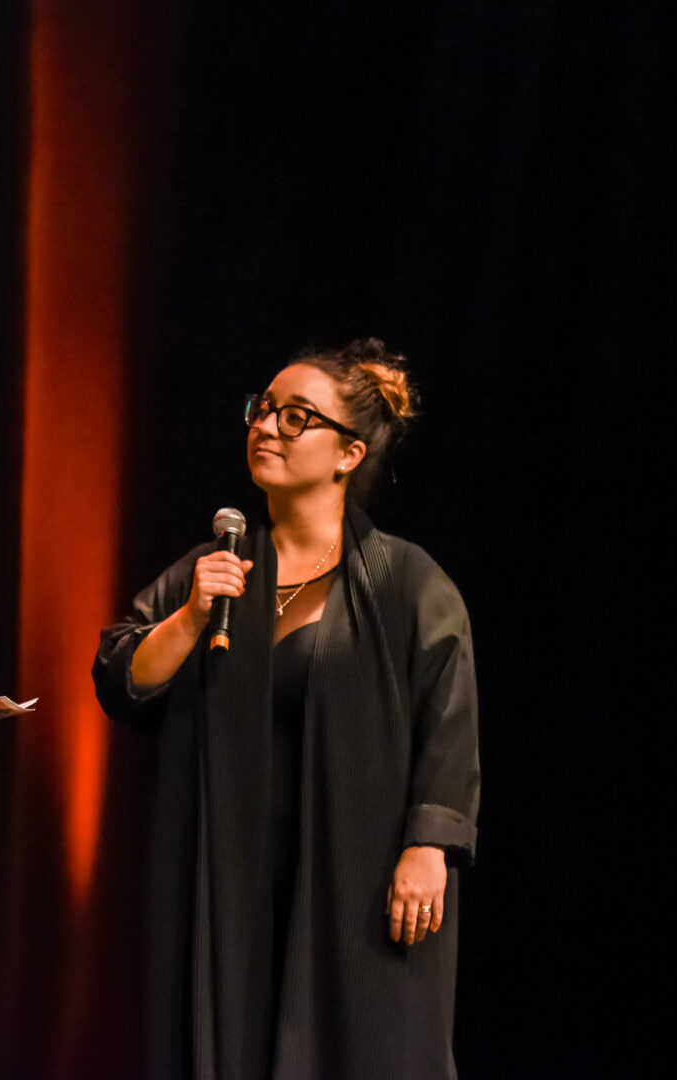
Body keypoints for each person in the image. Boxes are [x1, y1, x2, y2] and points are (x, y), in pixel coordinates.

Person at [93, 339, 480, 1080]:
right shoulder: (214, 569)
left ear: (347, 454)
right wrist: (189, 617)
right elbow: (122, 680)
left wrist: (429, 846)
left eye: (296, 417)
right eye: (262, 410)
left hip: (357, 877)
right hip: (231, 876)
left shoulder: (404, 581)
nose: (266, 427)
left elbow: (450, 721)